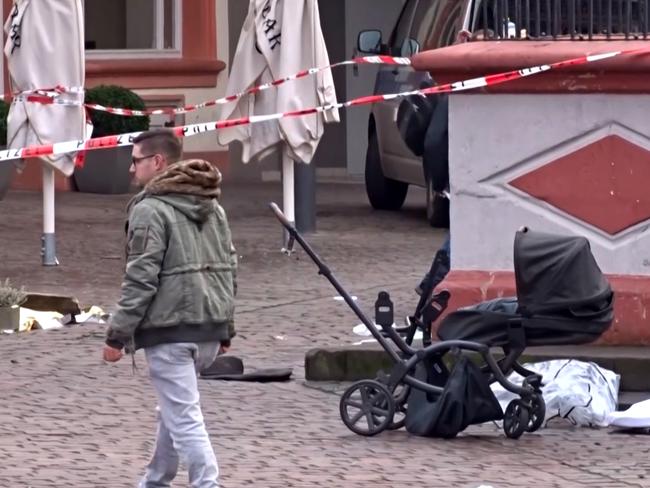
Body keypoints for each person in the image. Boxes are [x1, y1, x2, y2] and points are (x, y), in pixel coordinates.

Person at [102, 129, 237, 488]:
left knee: (185, 417)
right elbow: (229, 266)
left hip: (171, 329)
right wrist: (226, 326)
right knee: (174, 411)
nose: (132, 170)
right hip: (207, 326)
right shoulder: (213, 206)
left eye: (136, 161)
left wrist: (117, 334)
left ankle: (207, 484)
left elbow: (141, 278)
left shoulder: (150, 209)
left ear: (157, 162)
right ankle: (156, 481)